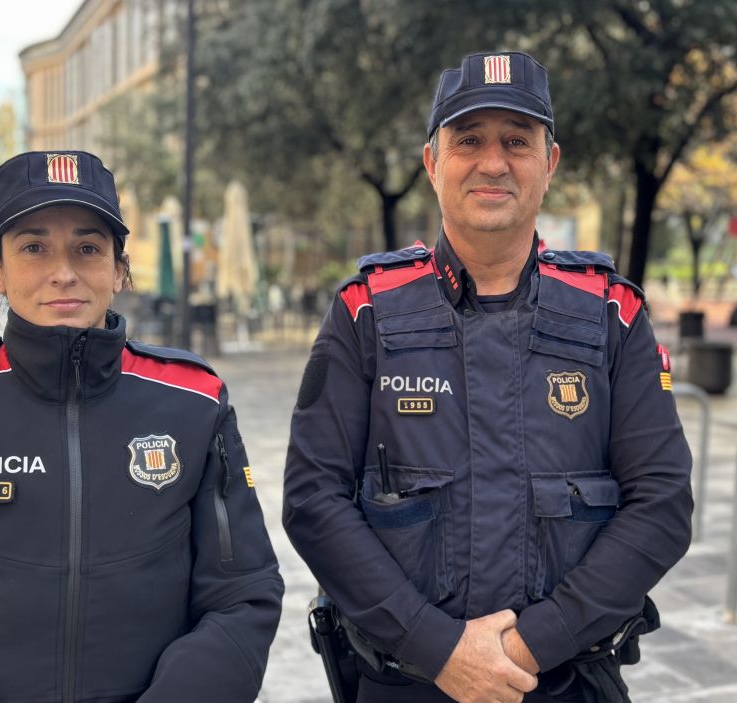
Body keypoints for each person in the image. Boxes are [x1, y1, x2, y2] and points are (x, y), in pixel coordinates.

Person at [284, 51, 692, 703]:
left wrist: (523, 650)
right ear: (432, 162)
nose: (493, 161)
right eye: (469, 139)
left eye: (516, 141)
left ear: (549, 163)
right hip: (406, 683)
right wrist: (440, 650)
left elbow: (664, 503)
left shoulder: (612, 313)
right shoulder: (365, 312)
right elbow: (312, 498)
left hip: (567, 680)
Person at [0, 150, 284, 703]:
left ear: (119, 269)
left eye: (87, 248)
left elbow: (242, 598)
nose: (62, 271)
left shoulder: (194, 402)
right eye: (34, 247)